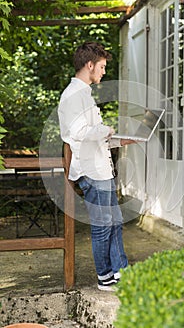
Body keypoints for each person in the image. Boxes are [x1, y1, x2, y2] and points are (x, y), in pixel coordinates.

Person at [58, 41, 135, 291]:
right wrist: (107, 130)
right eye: (101, 67)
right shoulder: (73, 96)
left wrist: (118, 139)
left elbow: (94, 135)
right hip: (91, 172)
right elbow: (79, 132)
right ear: (89, 65)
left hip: (101, 169)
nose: (103, 72)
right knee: (103, 225)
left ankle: (120, 271)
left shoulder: (84, 93)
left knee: (114, 220)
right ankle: (105, 277)